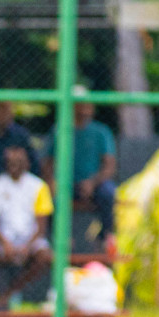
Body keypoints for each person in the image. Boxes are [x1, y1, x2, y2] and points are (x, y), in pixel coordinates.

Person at [0, 145, 53, 308]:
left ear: (27, 163)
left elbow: (41, 227)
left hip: (30, 238)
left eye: (19, 162)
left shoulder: (39, 186)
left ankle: (10, 294)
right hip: (2, 237)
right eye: (10, 162)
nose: (14, 166)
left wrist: (26, 247)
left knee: (45, 255)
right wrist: (5, 243)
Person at [69, 102, 117, 240]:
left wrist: (92, 182)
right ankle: (61, 239)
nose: (85, 109)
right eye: (80, 105)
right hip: (69, 184)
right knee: (52, 195)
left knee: (108, 193)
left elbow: (109, 166)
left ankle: (107, 236)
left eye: (87, 105)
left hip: (96, 184)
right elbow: (49, 162)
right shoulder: (61, 130)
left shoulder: (101, 132)